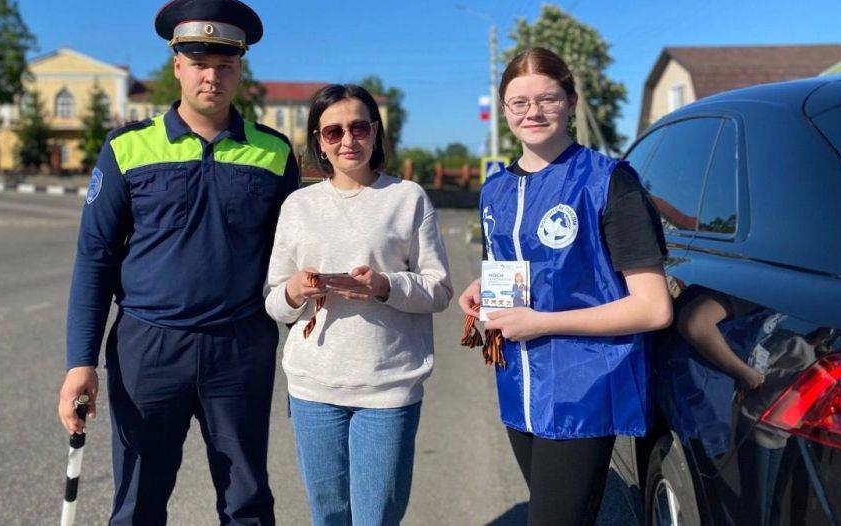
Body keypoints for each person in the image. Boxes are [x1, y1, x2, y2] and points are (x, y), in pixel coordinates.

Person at [57, 0, 299, 525]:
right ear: (177, 68)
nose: (211, 77)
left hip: (238, 348)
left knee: (247, 502)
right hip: (148, 349)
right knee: (138, 502)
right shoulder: (127, 148)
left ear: (240, 71)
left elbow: (296, 255)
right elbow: (94, 259)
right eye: (199, 65)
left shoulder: (275, 153)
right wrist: (81, 361)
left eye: (225, 65)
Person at [459, 47, 673, 526]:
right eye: (518, 102)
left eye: (548, 99)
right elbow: (525, 265)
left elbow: (653, 308)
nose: (532, 112)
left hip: (583, 389)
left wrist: (542, 322)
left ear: (572, 102)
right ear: (504, 109)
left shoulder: (608, 181)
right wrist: (482, 286)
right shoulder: (495, 187)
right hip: (518, 383)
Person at [264, 84, 452, 526]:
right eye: (333, 132)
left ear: (376, 132)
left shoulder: (408, 198)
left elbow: (439, 289)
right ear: (318, 142)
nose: (348, 140)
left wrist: (385, 286)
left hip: (387, 387)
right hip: (314, 388)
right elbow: (275, 301)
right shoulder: (298, 205)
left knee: (376, 517)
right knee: (327, 515)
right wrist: (294, 291)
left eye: (359, 127)